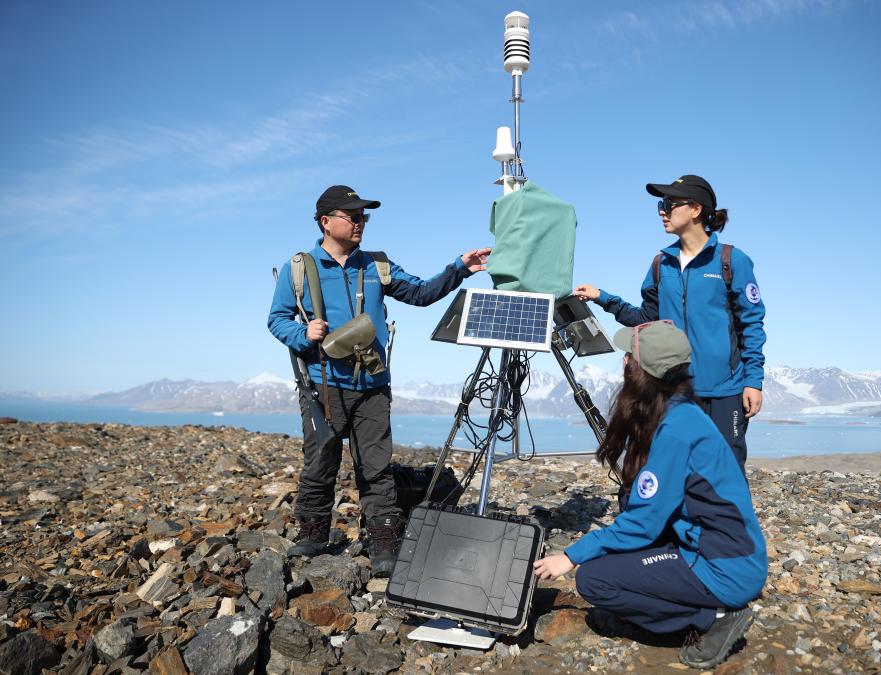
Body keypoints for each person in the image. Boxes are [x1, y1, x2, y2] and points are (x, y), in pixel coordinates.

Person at [268, 184, 491, 576]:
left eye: (363, 217)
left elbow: (421, 293)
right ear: (325, 221)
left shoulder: (377, 266)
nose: (360, 223)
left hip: (372, 386)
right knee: (320, 463)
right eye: (352, 216)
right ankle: (313, 534)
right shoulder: (299, 268)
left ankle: (383, 542)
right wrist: (303, 334)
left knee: (376, 468)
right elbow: (277, 319)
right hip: (322, 386)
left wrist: (459, 268)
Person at [533, 320, 767, 669]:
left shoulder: (675, 430)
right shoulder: (681, 412)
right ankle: (700, 604)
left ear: (642, 372)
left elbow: (643, 524)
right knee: (617, 553)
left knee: (593, 580)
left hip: (723, 568)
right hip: (728, 554)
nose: (623, 361)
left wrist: (570, 556)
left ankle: (715, 617)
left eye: (629, 356)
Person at [574, 175, 765, 471]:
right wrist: (603, 297)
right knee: (672, 470)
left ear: (696, 209)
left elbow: (751, 324)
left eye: (670, 204)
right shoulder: (660, 264)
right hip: (671, 390)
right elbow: (646, 321)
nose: (662, 211)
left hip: (724, 391)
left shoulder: (731, 260)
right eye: (661, 205)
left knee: (725, 469)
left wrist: (753, 381)